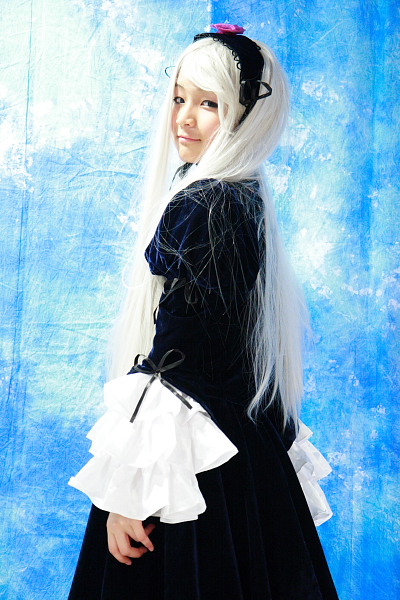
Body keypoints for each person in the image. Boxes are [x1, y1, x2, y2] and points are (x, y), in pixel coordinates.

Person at [68, 24, 339, 600]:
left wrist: (128, 493)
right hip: (240, 449)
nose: (184, 119)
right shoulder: (244, 197)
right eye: (179, 98)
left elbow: (175, 361)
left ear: (245, 117)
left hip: (197, 464)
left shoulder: (207, 203)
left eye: (209, 104)